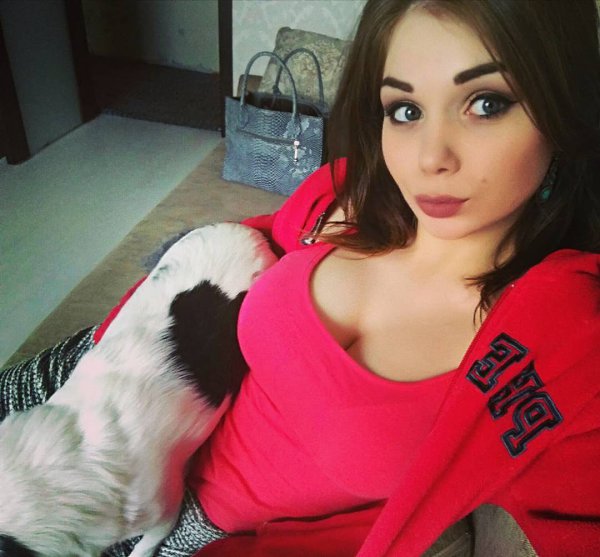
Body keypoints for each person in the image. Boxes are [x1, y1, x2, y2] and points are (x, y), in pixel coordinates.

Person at [1, 0, 599, 555]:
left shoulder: (560, 349)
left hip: (180, 527)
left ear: (562, 110)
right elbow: (222, 257)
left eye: (486, 103)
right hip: (89, 389)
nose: (429, 157)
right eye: (405, 110)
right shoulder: (345, 198)